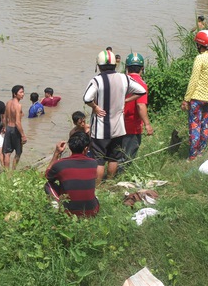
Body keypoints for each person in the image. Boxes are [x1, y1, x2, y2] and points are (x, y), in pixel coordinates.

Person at [83, 49, 146, 183]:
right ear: (115, 65)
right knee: (114, 157)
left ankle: (98, 185)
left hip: (100, 128)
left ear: (98, 66)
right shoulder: (124, 78)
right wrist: (127, 100)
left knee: (99, 159)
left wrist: (95, 107)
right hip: (118, 127)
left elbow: (87, 98)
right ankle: (110, 181)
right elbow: (141, 90)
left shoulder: (97, 80)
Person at [181, 30, 208, 161]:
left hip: (197, 99)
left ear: (201, 45)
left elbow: (194, 80)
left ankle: (192, 156)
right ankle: (201, 153)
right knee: (205, 126)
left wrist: (186, 99)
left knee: (195, 125)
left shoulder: (200, 58)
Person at [44, 132, 100, 217]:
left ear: (70, 147)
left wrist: (56, 153)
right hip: (93, 211)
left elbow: (48, 176)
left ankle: (57, 205)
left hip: (69, 213)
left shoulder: (60, 164)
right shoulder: (93, 163)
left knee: (48, 184)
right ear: (86, 149)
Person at [121, 53, 154, 168]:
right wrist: (147, 124)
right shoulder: (141, 84)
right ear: (142, 68)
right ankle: (120, 178)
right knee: (128, 157)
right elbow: (140, 106)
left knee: (116, 155)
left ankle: (111, 177)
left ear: (127, 68)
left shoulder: (121, 81)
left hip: (117, 124)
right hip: (132, 126)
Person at [2, 85, 27, 170]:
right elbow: (17, 122)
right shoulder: (18, 105)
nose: (23, 94)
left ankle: (6, 173)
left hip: (8, 128)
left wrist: (4, 127)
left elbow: (4, 117)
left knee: (7, 153)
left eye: (23, 92)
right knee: (18, 152)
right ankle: (13, 171)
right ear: (14, 94)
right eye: (21, 92)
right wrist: (23, 135)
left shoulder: (8, 103)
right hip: (15, 130)